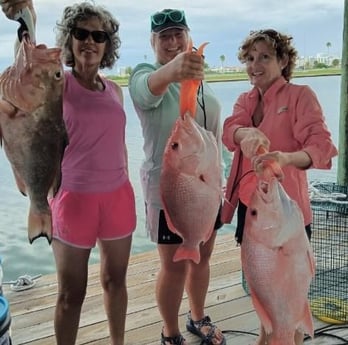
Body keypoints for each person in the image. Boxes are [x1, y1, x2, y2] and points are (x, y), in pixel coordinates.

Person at [1, 1, 136, 345]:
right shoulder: (58, 84)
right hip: (73, 198)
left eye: (98, 35)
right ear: (70, 40)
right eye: (81, 33)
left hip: (118, 195)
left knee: (115, 281)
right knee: (70, 294)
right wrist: (25, 17)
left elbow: (118, 144)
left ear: (108, 44)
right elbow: (28, 62)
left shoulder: (115, 90)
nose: (89, 41)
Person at [221, 29, 338, 345]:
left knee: (291, 295)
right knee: (263, 286)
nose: (254, 65)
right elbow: (229, 128)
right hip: (253, 209)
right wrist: (243, 135)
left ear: (283, 60)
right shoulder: (245, 100)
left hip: (288, 215)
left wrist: (285, 157)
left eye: (264, 57)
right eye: (250, 58)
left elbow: (322, 147)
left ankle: (288, 337)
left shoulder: (300, 96)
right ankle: (268, 337)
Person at [128, 8, 226, 345]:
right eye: (164, 36)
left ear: (188, 36)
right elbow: (144, 90)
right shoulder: (147, 74)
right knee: (174, 267)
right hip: (170, 193)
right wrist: (174, 70)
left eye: (178, 34)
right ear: (153, 42)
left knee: (202, 257)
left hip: (209, 188)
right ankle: (170, 333)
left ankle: (197, 317)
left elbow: (214, 137)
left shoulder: (200, 83)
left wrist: (222, 187)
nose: (172, 41)